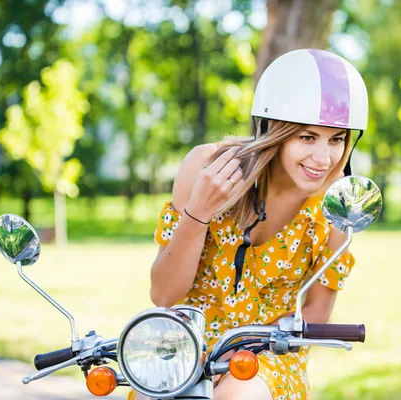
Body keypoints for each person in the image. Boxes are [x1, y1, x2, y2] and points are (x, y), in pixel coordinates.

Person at [149, 49, 368, 400]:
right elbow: (163, 294)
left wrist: (252, 349)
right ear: (273, 129)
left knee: (238, 393)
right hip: (183, 350)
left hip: (271, 359)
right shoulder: (207, 167)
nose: (324, 158)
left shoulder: (336, 202)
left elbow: (317, 314)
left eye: (336, 139)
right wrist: (198, 212)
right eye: (307, 137)